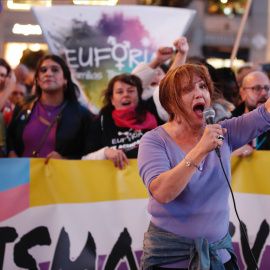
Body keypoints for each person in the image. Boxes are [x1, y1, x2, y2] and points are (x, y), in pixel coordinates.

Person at [137, 63, 270, 269]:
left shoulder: (225, 131)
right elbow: (162, 193)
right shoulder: (154, 141)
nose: (199, 94)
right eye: (188, 89)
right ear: (171, 103)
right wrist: (200, 150)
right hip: (169, 260)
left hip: (219, 257)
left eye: (202, 86)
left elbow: (264, 114)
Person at [7, 54, 94, 164]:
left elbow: (90, 154)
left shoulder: (81, 114)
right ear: (38, 79)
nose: (48, 74)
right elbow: (10, 135)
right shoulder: (23, 105)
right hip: (23, 178)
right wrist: (11, 152)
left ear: (65, 79)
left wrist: (65, 160)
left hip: (60, 179)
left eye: (55, 70)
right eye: (43, 70)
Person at [82, 73, 163, 170]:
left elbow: (167, 89)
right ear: (112, 99)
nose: (126, 95)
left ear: (138, 95)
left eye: (131, 91)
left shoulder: (152, 111)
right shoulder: (102, 122)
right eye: (120, 92)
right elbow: (84, 159)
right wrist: (105, 152)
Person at [231, 70, 270, 157]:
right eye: (257, 88)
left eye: (267, 88)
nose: (264, 93)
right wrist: (231, 155)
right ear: (243, 94)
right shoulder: (227, 127)